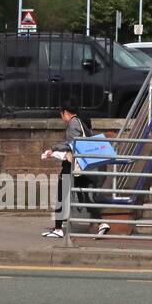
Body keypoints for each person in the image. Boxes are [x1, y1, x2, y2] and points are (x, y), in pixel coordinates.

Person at [41, 102, 113, 239]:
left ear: (66, 112)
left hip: (73, 165)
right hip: (82, 166)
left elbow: (72, 143)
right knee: (84, 196)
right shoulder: (81, 122)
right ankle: (101, 223)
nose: (62, 117)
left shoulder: (73, 123)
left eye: (61, 114)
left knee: (62, 195)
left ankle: (58, 229)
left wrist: (53, 149)